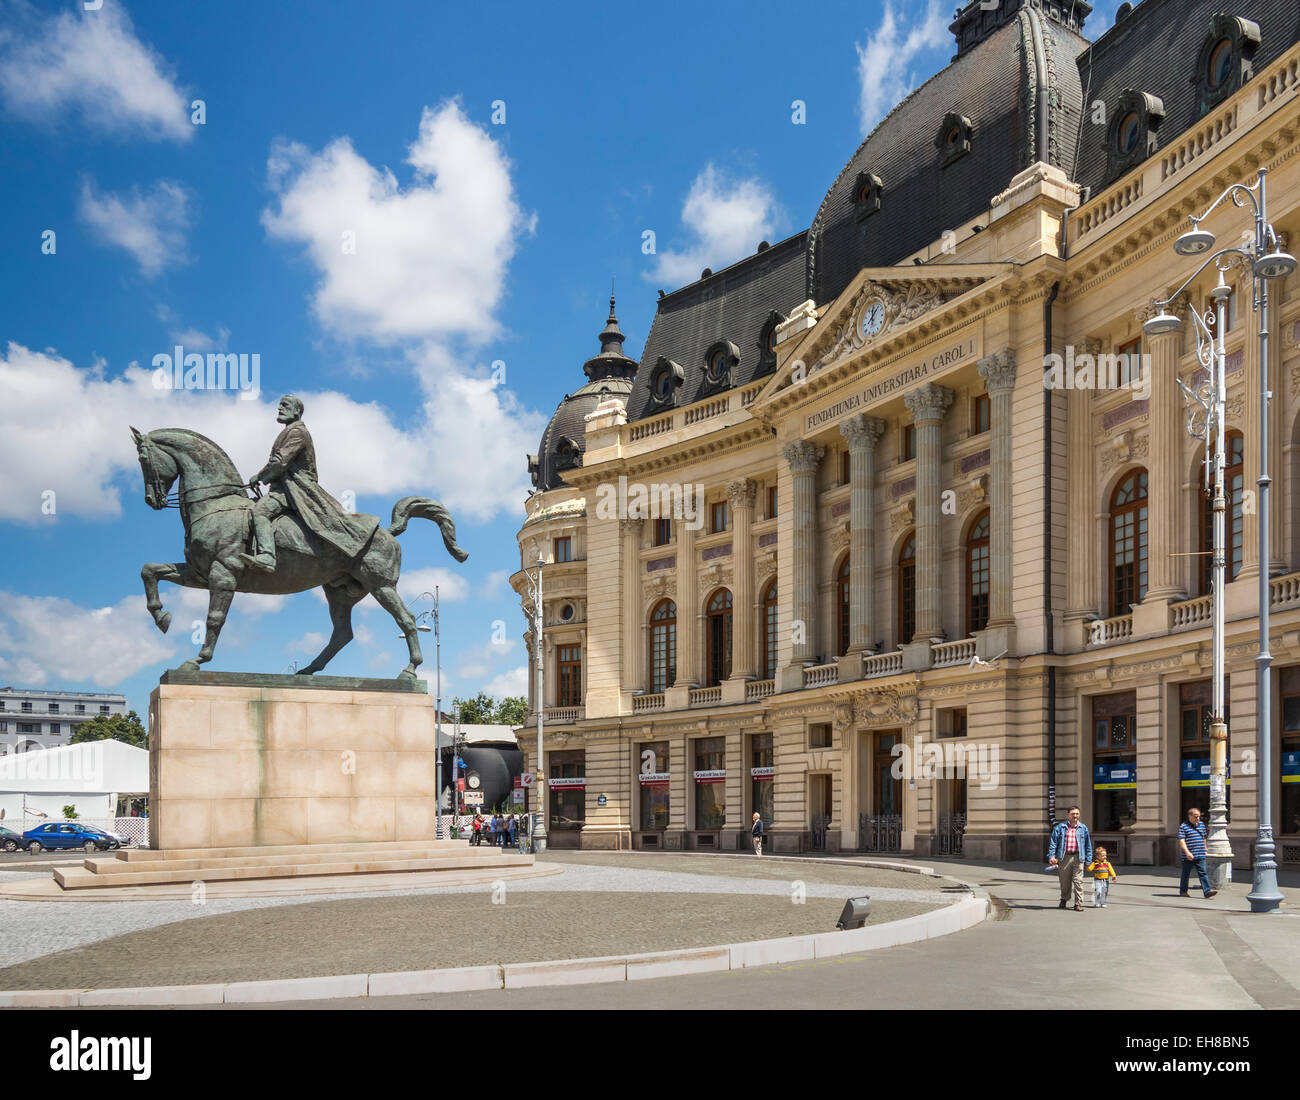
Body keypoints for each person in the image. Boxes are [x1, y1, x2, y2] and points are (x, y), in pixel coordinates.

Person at [238, 394, 379, 574]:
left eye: (285, 405)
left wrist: (260, 476)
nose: (280, 408)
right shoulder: (290, 431)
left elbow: (280, 462)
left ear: (297, 411)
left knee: (260, 512)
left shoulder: (297, 432)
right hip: (284, 488)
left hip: (294, 490)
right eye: (279, 405)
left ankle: (267, 556)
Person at [1047, 805, 1093, 911]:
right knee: (1065, 881)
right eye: (1073, 814)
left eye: (1077, 814)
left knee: (1078, 881)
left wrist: (1088, 860)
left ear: (1079, 814)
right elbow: (1053, 843)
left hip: (1078, 857)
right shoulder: (1060, 827)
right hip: (1064, 857)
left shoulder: (1083, 828)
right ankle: (1064, 899)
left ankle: (1078, 903)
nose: (1075, 816)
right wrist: (1052, 856)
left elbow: (1088, 845)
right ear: (1068, 815)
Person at [1178, 807, 1218, 899]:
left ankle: (1207, 891)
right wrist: (1187, 852)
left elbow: (1204, 837)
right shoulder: (1183, 826)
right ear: (1190, 816)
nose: (1198, 819)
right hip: (1189, 855)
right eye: (1196, 817)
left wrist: (1205, 849)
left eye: (1199, 817)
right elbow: (1181, 841)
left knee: (1203, 873)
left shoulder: (1201, 825)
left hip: (1200, 854)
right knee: (1185, 874)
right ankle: (1183, 892)